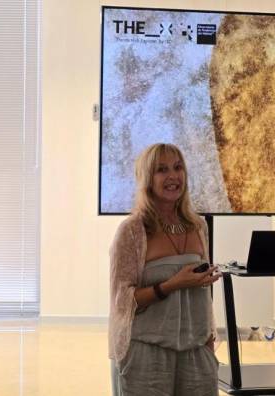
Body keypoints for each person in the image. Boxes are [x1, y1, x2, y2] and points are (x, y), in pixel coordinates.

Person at [109, 143, 221, 396]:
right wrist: (171, 285)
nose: (173, 176)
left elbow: (203, 297)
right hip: (146, 353)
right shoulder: (132, 230)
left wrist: (209, 342)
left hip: (197, 352)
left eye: (178, 167)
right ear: (147, 179)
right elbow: (122, 302)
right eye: (162, 170)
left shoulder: (198, 225)